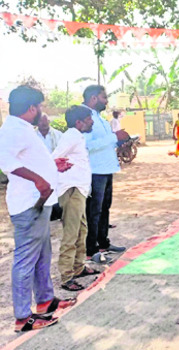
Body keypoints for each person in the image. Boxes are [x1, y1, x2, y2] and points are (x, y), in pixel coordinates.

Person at [0, 85, 77, 332]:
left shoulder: (23, 129)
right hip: (28, 204)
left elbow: (27, 160)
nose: (41, 111)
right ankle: (23, 317)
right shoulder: (12, 130)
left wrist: (51, 166)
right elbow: (5, 162)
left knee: (42, 255)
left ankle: (44, 301)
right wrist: (38, 179)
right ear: (31, 108)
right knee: (25, 260)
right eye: (40, 106)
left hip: (40, 202)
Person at [52, 106, 101, 291]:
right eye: (89, 118)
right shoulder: (71, 136)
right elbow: (54, 158)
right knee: (71, 234)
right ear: (79, 122)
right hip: (71, 191)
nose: (92, 121)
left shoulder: (76, 136)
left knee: (81, 230)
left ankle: (78, 267)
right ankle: (66, 277)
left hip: (78, 190)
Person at [82, 85, 130, 264]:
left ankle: (103, 243)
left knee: (104, 208)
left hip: (106, 169)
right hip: (95, 172)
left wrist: (118, 143)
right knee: (93, 212)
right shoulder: (84, 117)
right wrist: (114, 137)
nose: (106, 101)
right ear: (93, 98)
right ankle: (91, 250)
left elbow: (104, 143)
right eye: (104, 97)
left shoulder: (99, 118)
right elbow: (86, 145)